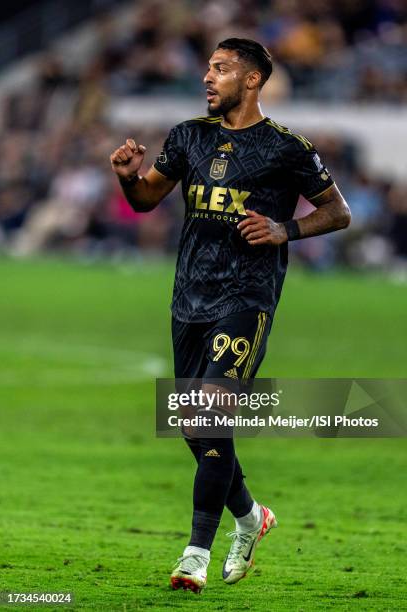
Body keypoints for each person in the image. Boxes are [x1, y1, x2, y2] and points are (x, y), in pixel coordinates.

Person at [110, 38, 351, 594]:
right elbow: (146, 199)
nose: (207, 78)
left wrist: (284, 230)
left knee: (211, 413)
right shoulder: (189, 136)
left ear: (251, 80)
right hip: (188, 299)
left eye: (220, 69)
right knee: (194, 427)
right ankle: (250, 518)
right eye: (208, 68)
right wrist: (127, 176)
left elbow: (338, 211)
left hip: (246, 299)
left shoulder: (287, 147)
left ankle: (195, 553)